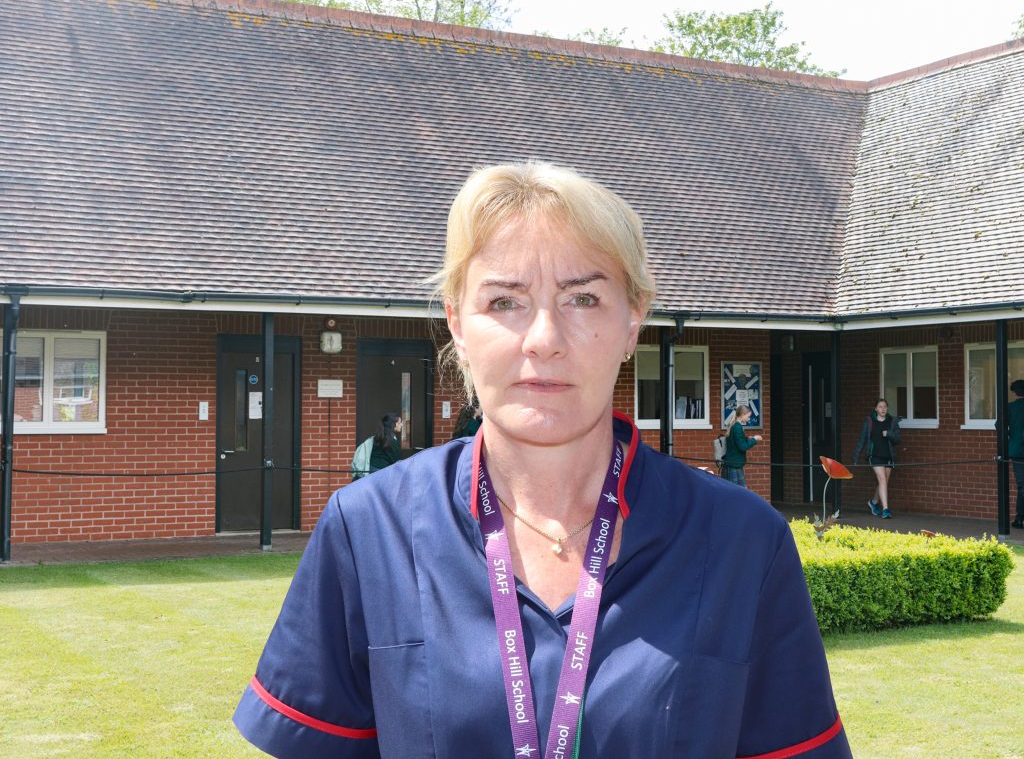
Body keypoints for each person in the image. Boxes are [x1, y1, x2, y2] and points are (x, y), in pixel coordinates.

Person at [233, 162, 851, 758]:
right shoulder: (367, 530)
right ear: (457, 323)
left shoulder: (742, 541)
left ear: (632, 322)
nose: (544, 339)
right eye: (505, 302)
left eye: (582, 299)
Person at [852, 397, 901, 519]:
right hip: (875, 456)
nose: (883, 409)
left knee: (883, 482)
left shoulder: (892, 421)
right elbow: (862, 440)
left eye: (885, 407)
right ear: (876, 409)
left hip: (888, 456)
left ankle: (873, 502)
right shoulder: (870, 422)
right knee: (883, 480)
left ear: (887, 408)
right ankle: (885, 510)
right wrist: (855, 457)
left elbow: (898, 440)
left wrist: (888, 434)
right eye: (880, 407)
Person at [719, 404, 762, 487]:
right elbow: (743, 447)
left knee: (732, 493)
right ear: (742, 415)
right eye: (748, 416)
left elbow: (736, 440)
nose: (749, 419)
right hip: (734, 465)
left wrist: (747, 438)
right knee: (737, 493)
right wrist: (754, 439)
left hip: (732, 464)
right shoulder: (737, 427)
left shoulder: (734, 425)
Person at [1009, 380, 1024, 529]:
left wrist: (1012, 435)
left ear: (1014, 392)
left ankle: (1019, 519)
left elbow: (998, 425)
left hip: (1017, 450)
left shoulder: (1011, 407)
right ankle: (1019, 518)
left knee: (1022, 485)